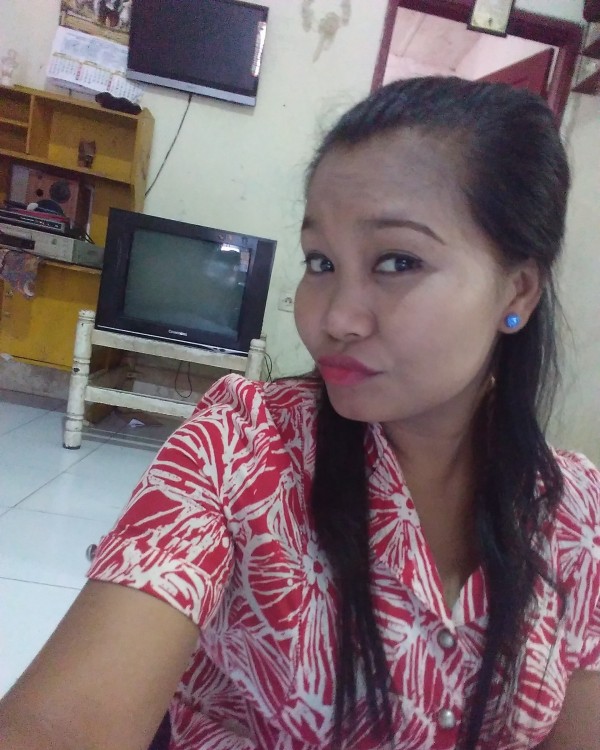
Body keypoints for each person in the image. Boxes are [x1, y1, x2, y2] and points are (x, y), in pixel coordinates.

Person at [0, 76, 599, 750]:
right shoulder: (243, 444)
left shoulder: (575, 513)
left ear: (517, 290)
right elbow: (62, 723)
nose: (334, 318)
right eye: (321, 261)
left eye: (397, 261)